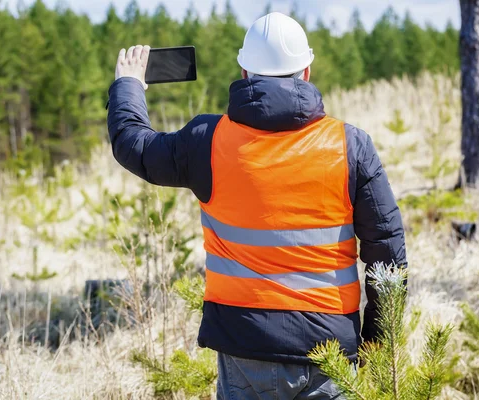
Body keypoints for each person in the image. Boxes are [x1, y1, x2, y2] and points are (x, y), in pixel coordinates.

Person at [107, 12, 407, 400]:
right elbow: (387, 249)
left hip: (245, 346)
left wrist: (128, 85)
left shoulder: (207, 140)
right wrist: (377, 345)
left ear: (245, 72)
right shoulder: (351, 145)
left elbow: (136, 146)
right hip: (332, 351)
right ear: (307, 70)